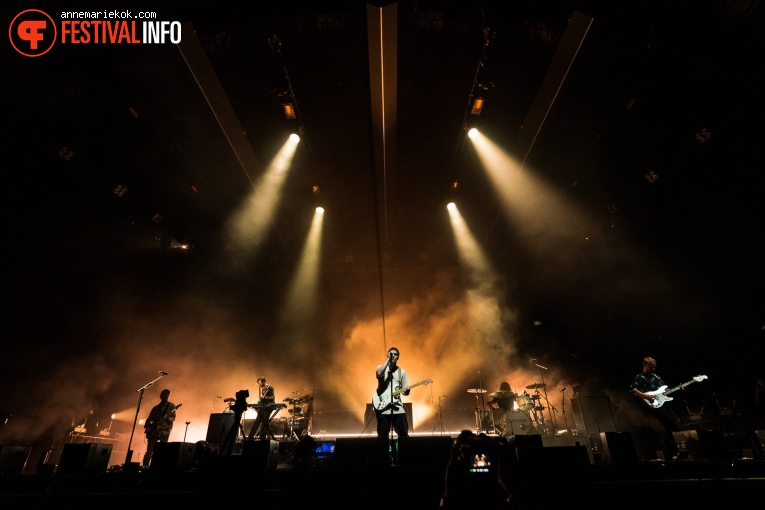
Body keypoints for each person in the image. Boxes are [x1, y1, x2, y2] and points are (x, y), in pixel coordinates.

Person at [629, 356, 680, 459]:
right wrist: (645, 396)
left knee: (674, 425)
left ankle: (678, 450)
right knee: (670, 426)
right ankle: (674, 452)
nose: (653, 369)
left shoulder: (656, 376)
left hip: (664, 403)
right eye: (651, 367)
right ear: (644, 365)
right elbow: (633, 389)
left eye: (654, 367)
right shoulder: (639, 377)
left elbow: (664, 390)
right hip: (654, 404)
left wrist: (679, 388)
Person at [374, 347, 410, 463]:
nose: (393, 355)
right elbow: (379, 374)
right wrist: (387, 361)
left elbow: (404, 391)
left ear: (398, 357)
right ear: (387, 355)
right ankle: (382, 460)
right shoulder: (381, 367)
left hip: (397, 406)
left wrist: (406, 391)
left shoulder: (402, 372)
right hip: (383, 408)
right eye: (390, 354)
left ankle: (403, 459)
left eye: (395, 354)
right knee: (383, 435)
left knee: (403, 434)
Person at [143, 389, 178, 467]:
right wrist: (148, 427)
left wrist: (166, 418)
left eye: (167, 395)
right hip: (154, 432)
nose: (165, 396)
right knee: (149, 451)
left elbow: (172, 419)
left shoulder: (171, 406)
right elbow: (149, 419)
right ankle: (145, 466)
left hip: (164, 431)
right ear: (161, 396)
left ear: (169, 396)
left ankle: (157, 467)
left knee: (161, 450)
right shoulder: (156, 408)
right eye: (163, 394)